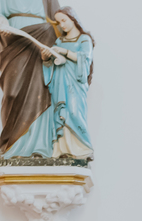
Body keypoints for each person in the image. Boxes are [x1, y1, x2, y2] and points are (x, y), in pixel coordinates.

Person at [0, 0, 62, 158]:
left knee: (41, 91)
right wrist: (0, 20)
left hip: (43, 38)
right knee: (13, 93)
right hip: (14, 37)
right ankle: (12, 146)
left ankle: (40, 147)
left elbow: (59, 18)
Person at [46, 8, 94, 159]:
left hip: (75, 84)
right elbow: (53, 63)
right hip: (60, 83)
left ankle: (83, 150)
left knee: (74, 112)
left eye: (64, 20)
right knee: (61, 113)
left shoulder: (84, 39)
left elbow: (85, 59)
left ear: (73, 19)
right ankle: (63, 150)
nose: (62, 25)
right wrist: (47, 57)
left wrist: (65, 52)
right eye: (59, 22)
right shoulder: (59, 41)